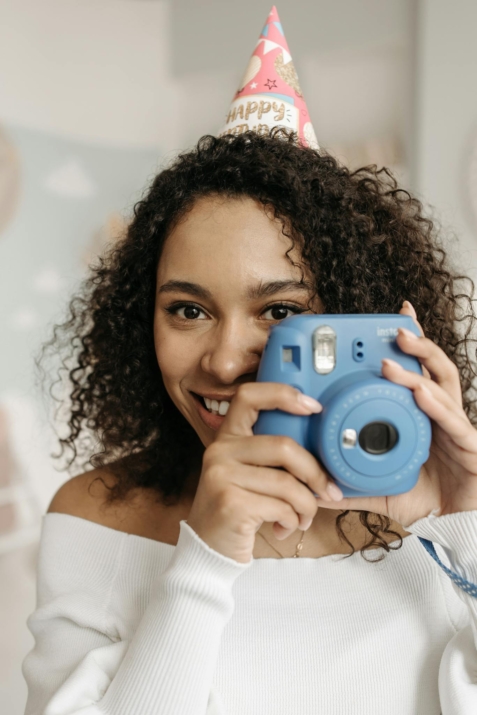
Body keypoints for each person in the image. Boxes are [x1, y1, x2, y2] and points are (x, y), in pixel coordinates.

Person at [22, 7, 477, 715]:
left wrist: (467, 528)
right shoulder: (99, 521)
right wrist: (204, 556)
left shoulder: (440, 514)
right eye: (188, 309)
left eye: (280, 312)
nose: (228, 360)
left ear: (355, 318)